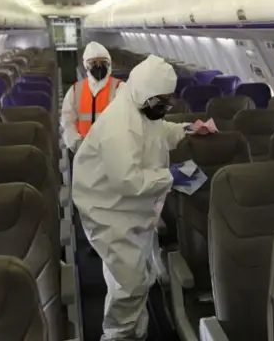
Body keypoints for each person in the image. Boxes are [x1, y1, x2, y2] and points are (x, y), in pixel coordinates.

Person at [71, 55, 214, 341]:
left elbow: (158, 130)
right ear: (144, 92)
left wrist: (187, 129)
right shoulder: (118, 127)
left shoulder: (138, 106)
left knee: (140, 272)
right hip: (108, 209)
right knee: (129, 282)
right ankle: (118, 334)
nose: (163, 106)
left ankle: (136, 328)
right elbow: (130, 181)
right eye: (159, 100)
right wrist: (171, 175)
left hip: (130, 207)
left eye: (166, 100)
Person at [61, 41, 122, 160]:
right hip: (83, 152)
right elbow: (67, 122)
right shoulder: (75, 90)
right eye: (93, 62)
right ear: (86, 65)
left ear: (109, 64)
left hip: (114, 153)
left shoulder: (119, 88)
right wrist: (76, 143)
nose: (98, 66)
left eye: (103, 62)